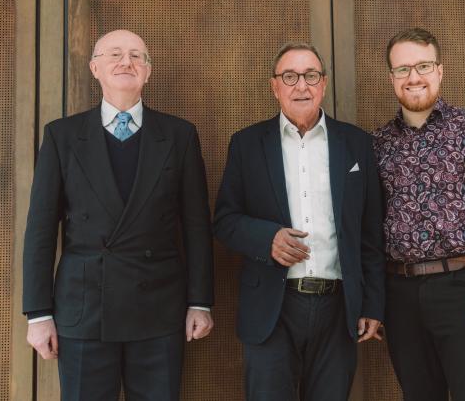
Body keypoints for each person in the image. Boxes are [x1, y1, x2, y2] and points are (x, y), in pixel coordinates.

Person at [22, 29, 214, 400]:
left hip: (159, 309)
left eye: (136, 56)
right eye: (114, 54)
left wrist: (200, 302)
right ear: (95, 68)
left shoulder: (179, 135)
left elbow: (196, 227)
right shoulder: (62, 136)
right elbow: (40, 230)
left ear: (148, 72)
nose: (126, 62)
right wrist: (38, 313)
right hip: (84, 310)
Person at [214, 42, 385, 401]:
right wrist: (267, 238)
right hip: (272, 309)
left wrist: (371, 304)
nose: (301, 86)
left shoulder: (357, 144)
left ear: (324, 83)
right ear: (274, 86)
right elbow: (225, 221)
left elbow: (370, 233)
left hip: (338, 309)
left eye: (310, 75)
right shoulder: (246, 144)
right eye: (290, 77)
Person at [373, 27, 465, 401]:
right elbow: (368, 228)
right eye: (403, 69)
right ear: (391, 77)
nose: (413, 77)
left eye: (423, 66)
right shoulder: (377, 144)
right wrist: (373, 299)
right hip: (400, 295)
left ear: (440, 70)